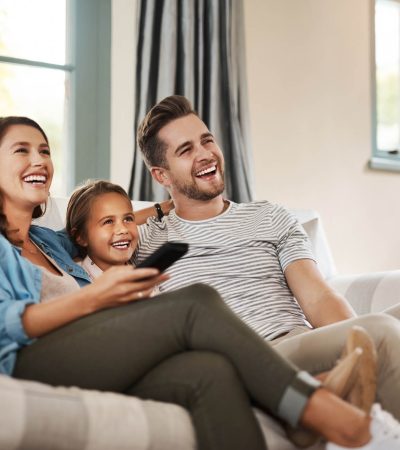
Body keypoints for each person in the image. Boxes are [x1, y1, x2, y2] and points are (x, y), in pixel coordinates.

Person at [3, 117, 398, 450]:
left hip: (95, 352)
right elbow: (9, 322)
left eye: (45, 150)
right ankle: (329, 414)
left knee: (208, 371)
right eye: (22, 151)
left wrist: (156, 208)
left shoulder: (49, 242)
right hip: (31, 356)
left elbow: (95, 228)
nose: (39, 159)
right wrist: (95, 298)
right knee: (194, 303)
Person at [135, 95, 400, 422]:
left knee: (383, 329)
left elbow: (318, 297)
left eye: (207, 140)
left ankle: (330, 397)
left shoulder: (269, 216)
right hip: (253, 359)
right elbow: (87, 225)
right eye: (186, 150)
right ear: (161, 175)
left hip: (302, 343)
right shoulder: (146, 240)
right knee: (383, 332)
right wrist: (162, 207)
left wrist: (355, 340)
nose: (205, 154)